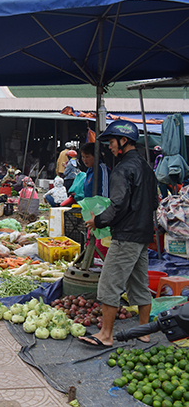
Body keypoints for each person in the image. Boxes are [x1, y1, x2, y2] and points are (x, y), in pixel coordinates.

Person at [80, 120, 157, 348]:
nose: (110, 147)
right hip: (144, 235)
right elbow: (154, 202)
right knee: (140, 284)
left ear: (124, 141)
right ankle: (144, 333)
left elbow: (119, 203)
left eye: (112, 142)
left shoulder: (122, 170)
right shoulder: (146, 167)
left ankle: (105, 335)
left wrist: (99, 220)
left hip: (126, 236)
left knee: (108, 285)